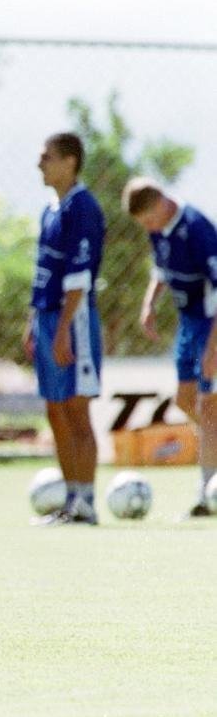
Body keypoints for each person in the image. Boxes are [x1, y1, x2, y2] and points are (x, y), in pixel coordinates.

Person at [122, 177, 217, 518]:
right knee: (186, 401)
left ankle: (206, 495)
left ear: (162, 202)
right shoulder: (158, 229)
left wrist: (213, 349)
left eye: (149, 220)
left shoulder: (197, 228)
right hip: (188, 322)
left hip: (211, 322)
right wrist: (150, 304)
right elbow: (160, 269)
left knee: (209, 407)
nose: (149, 228)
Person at [23, 132, 104, 525]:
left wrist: (63, 330)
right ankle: (71, 499)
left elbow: (79, 277)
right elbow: (46, 272)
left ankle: (87, 501)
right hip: (47, 317)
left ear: (70, 162)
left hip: (74, 320)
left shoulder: (82, 209)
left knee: (76, 410)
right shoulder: (50, 209)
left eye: (47, 156)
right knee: (55, 410)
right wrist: (34, 322)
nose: (40, 164)